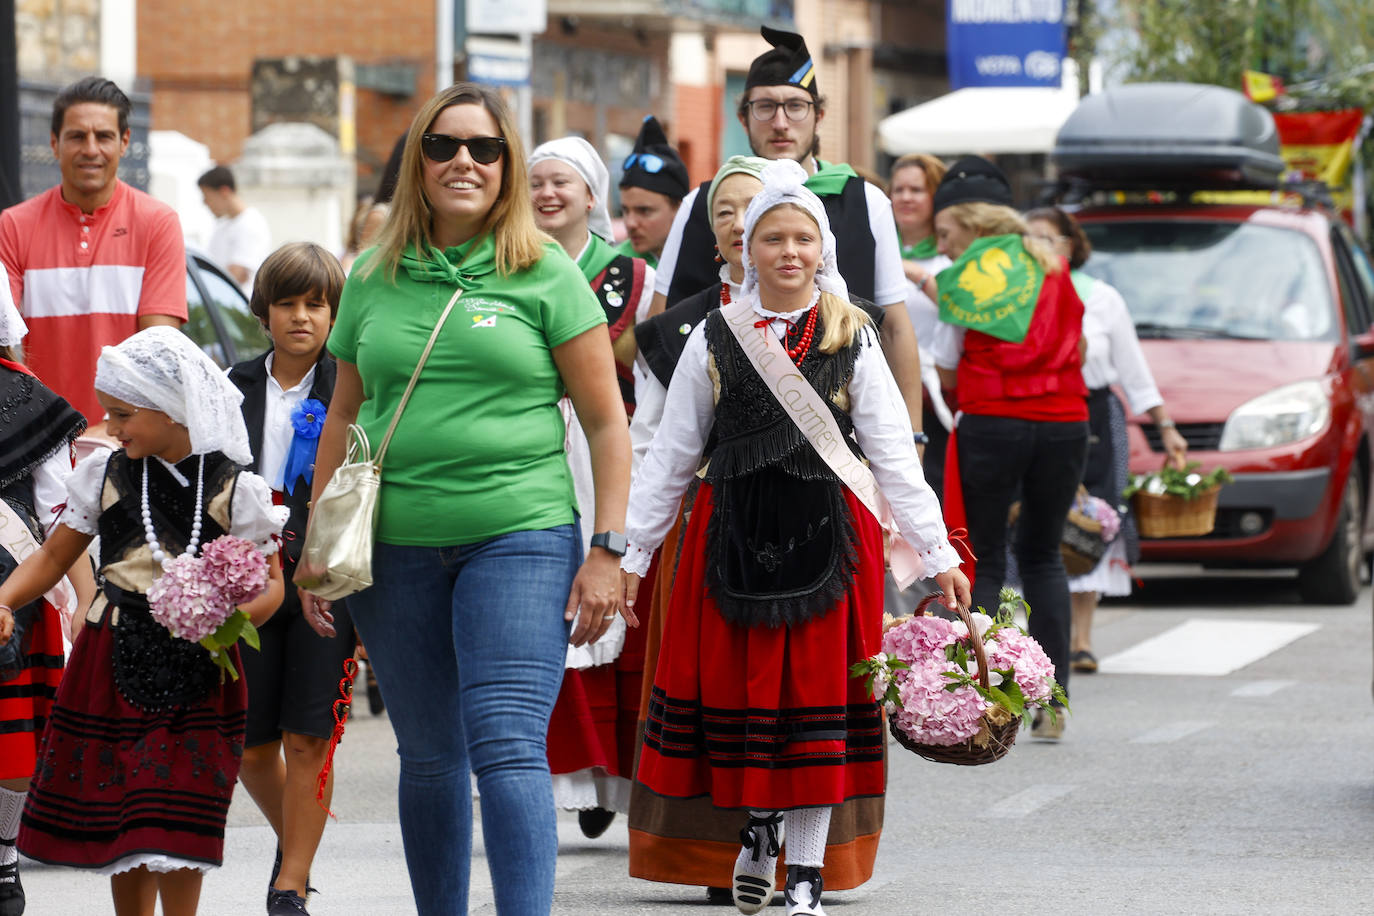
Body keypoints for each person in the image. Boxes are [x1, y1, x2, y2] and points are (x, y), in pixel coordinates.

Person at [295, 83, 632, 915]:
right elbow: (343, 413)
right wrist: (316, 551)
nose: (463, 162)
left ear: (507, 166)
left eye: (484, 149)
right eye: (443, 146)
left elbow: (605, 421)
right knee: (431, 754)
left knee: (509, 744)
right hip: (395, 544)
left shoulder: (545, 271)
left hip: (520, 532)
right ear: (418, 161)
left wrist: (608, 550)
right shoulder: (372, 274)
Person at [623, 160, 971, 916]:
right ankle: (757, 834)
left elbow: (889, 453)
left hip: (830, 543)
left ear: (823, 249)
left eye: (802, 239)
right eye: (771, 238)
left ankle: (805, 871)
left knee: (816, 705)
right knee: (746, 702)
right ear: (746, 248)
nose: (787, 252)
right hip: (730, 540)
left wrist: (938, 554)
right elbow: (673, 456)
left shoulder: (855, 333)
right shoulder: (714, 333)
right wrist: (634, 553)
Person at [0, 326, 286, 916]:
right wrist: (4, 598)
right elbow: (54, 555)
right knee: (123, 811)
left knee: (181, 811)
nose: (113, 427)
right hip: (112, 657)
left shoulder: (237, 489)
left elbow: (272, 586)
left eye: (124, 414)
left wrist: (224, 619)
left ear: (174, 411)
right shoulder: (104, 477)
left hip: (202, 665)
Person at [649, 27, 926, 434]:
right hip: (725, 437)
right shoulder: (701, 204)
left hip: (842, 437)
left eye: (796, 106)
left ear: (819, 116)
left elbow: (897, 329)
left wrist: (913, 434)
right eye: (765, 107)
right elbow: (662, 319)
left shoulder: (865, 202)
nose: (780, 122)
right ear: (742, 116)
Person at [926, 157, 1089, 740]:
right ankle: (1055, 700)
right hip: (1065, 420)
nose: (943, 248)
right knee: (1045, 557)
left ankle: (982, 704)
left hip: (995, 420)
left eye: (946, 234)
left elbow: (945, 360)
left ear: (970, 224)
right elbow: (1081, 343)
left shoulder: (969, 273)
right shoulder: (1051, 262)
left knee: (987, 558)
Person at [526, 136, 652, 839]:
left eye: (562, 183)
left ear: (589, 195)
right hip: (534, 440)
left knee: (606, 597)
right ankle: (551, 777)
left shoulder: (631, 276)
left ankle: (608, 778)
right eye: (538, 182)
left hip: (604, 444)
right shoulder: (508, 262)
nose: (548, 194)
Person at [227, 243, 357, 916]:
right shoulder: (232, 385)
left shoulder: (353, 384)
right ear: (265, 311)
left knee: (311, 734)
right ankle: (296, 844)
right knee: (251, 746)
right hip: (248, 577)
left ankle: (291, 884)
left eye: (316, 304)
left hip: (327, 573)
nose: (301, 317)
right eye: (287, 304)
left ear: (336, 312)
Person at [1023, 207, 1188, 672]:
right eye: (1028, 239)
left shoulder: (1102, 297)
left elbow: (1134, 371)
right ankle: (1038, 639)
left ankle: (1082, 639)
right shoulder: (1012, 297)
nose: (1038, 248)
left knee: (1094, 517)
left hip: (1094, 411)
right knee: (1040, 522)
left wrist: (1165, 426)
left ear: (1070, 246)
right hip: (1038, 408)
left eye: (1048, 239)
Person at [0, 76, 187, 428]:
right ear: (54, 143)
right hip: (39, 441)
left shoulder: (158, 223)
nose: (90, 149)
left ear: (124, 142)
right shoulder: (13, 226)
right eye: (76, 136)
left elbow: (159, 354)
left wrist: (110, 430)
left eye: (103, 136)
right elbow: (2, 344)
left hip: (126, 443)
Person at [0, 268, 92, 916]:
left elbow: (65, 515)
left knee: (10, 748)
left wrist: (84, 607)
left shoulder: (28, 400)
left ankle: (4, 862)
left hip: (13, 593)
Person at [616, 116, 689, 268]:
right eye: (625, 210)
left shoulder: (707, 262)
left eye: (644, 211)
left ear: (679, 209)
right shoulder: (615, 267)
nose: (630, 223)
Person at [199, 165, 273, 294]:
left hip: (238, 307)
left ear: (224, 191)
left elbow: (238, 275)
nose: (205, 202)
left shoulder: (251, 223)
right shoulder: (223, 225)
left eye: (207, 196)